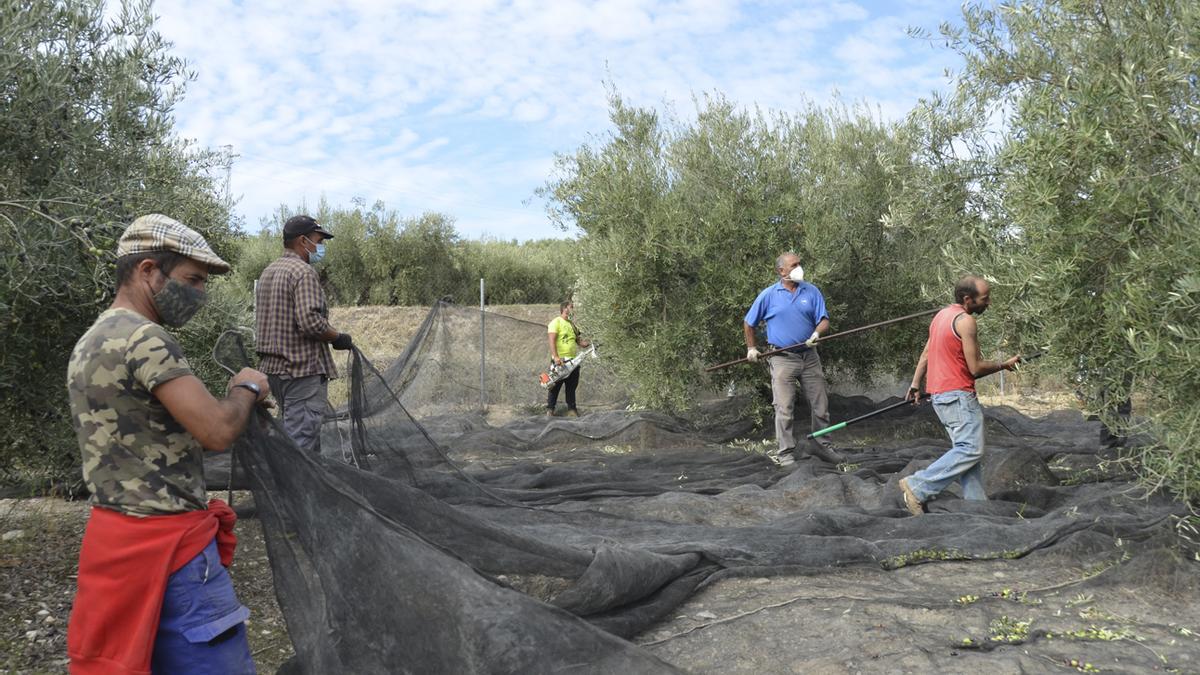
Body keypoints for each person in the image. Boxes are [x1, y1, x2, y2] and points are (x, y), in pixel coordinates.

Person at [66, 214, 271, 674]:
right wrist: (248, 387)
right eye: (192, 280)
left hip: (113, 546)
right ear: (148, 271)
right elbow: (216, 430)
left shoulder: (90, 340)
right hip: (171, 553)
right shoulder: (145, 338)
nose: (199, 294)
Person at [899, 275, 1022, 515]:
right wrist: (1004, 365)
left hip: (941, 397)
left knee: (966, 453)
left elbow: (926, 353)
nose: (989, 303)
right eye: (985, 299)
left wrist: (915, 383)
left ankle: (976, 506)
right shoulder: (965, 322)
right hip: (958, 396)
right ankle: (918, 485)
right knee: (971, 450)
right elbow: (974, 368)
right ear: (968, 299)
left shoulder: (941, 316)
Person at [255, 214, 353, 453]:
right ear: (303, 241)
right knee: (300, 448)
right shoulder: (303, 272)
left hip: (274, 372)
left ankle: (303, 486)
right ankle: (292, 490)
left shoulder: (269, 271)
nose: (321, 247)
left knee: (293, 437)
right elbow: (310, 322)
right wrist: (337, 337)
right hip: (301, 372)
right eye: (319, 241)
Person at [743, 253, 844, 466]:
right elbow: (749, 322)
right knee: (784, 407)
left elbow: (823, 319)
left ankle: (822, 445)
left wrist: (816, 334)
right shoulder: (769, 295)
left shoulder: (811, 291)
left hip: (809, 356)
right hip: (781, 358)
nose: (799, 268)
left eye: (799, 264)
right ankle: (786, 453)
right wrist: (751, 348)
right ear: (782, 271)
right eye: (794, 265)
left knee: (820, 405)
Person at [546, 300, 589, 417]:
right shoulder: (556, 322)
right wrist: (555, 357)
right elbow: (551, 340)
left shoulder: (572, 325)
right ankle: (550, 410)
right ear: (565, 308)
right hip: (560, 361)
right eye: (572, 307)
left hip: (573, 362)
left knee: (571, 386)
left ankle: (572, 410)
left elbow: (579, 341)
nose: (573, 310)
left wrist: (588, 343)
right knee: (555, 386)